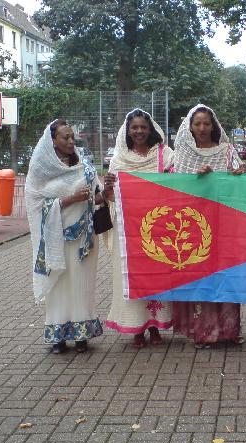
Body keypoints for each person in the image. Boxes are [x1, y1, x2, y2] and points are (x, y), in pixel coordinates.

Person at [25, 119, 109, 354]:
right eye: (65, 137)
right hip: (55, 239)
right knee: (59, 285)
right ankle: (57, 336)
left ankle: (82, 335)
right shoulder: (40, 170)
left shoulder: (84, 166)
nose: (71, 141)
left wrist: (107, 192)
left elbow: (96, 198)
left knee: (82, 285)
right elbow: (34, 203)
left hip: (84, 238)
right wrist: (70, 199)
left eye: (72, 137)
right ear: (52, 141)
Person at [171, 104, 246, 349]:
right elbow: (172, 189)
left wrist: (241, 174)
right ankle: (203, 332)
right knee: (201, 277)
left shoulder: (227, 151)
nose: (202, 128)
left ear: (214, 125)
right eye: (197, 124)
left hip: (225, 225)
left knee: (226, 276)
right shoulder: (181, 153)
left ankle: (228, 331)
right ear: (190, 127)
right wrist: (196, 179)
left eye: (207, 123)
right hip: (195, 226)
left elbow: (241, 184)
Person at [102, 109, 175, 348]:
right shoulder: (119, 159)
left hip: (158, 227)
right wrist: (108, 188)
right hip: (129, 231)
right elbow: (111, 198)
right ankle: (136, 328)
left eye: (144, 127)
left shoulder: (165, 155)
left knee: (157, 276)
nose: (140, 131)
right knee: (131, 275)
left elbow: (178, 186)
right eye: (135, 127)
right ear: (128, 130)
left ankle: (155, 326)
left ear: (151, 129)